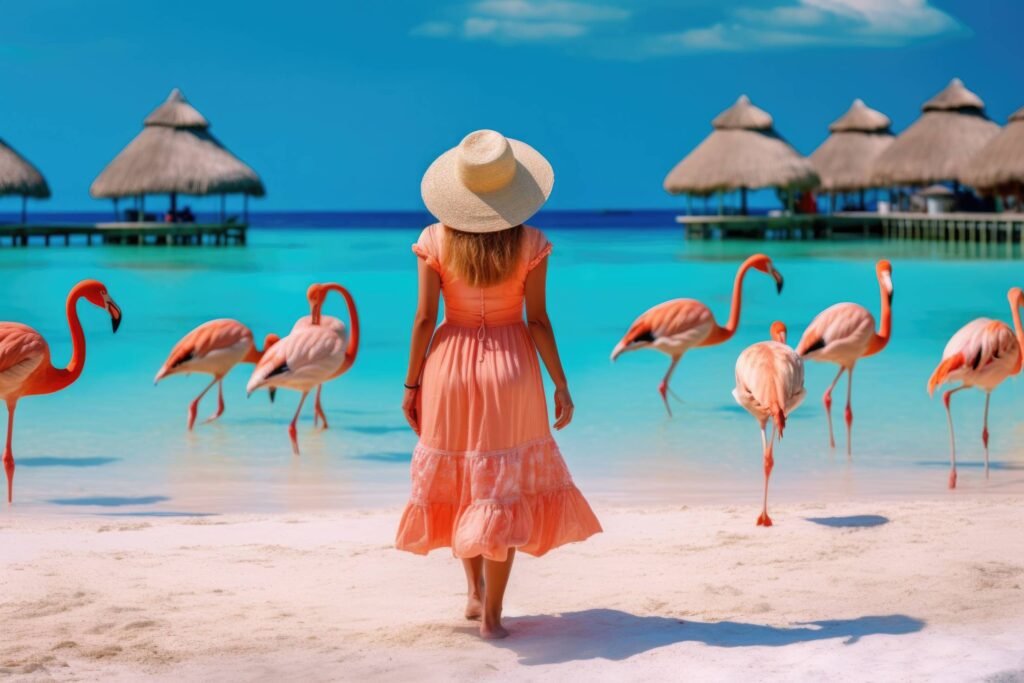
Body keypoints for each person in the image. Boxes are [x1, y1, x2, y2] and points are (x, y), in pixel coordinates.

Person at [395, 130, 602, 639]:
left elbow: (424, 318)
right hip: (512, 365)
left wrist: (411, 383)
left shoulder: (434, 239)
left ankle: (472, 594)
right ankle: (492, 618)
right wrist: (561, 383)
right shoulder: (530, 242)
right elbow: (538, 321)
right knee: (500, 487)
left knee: (465, 479)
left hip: (448, 364)